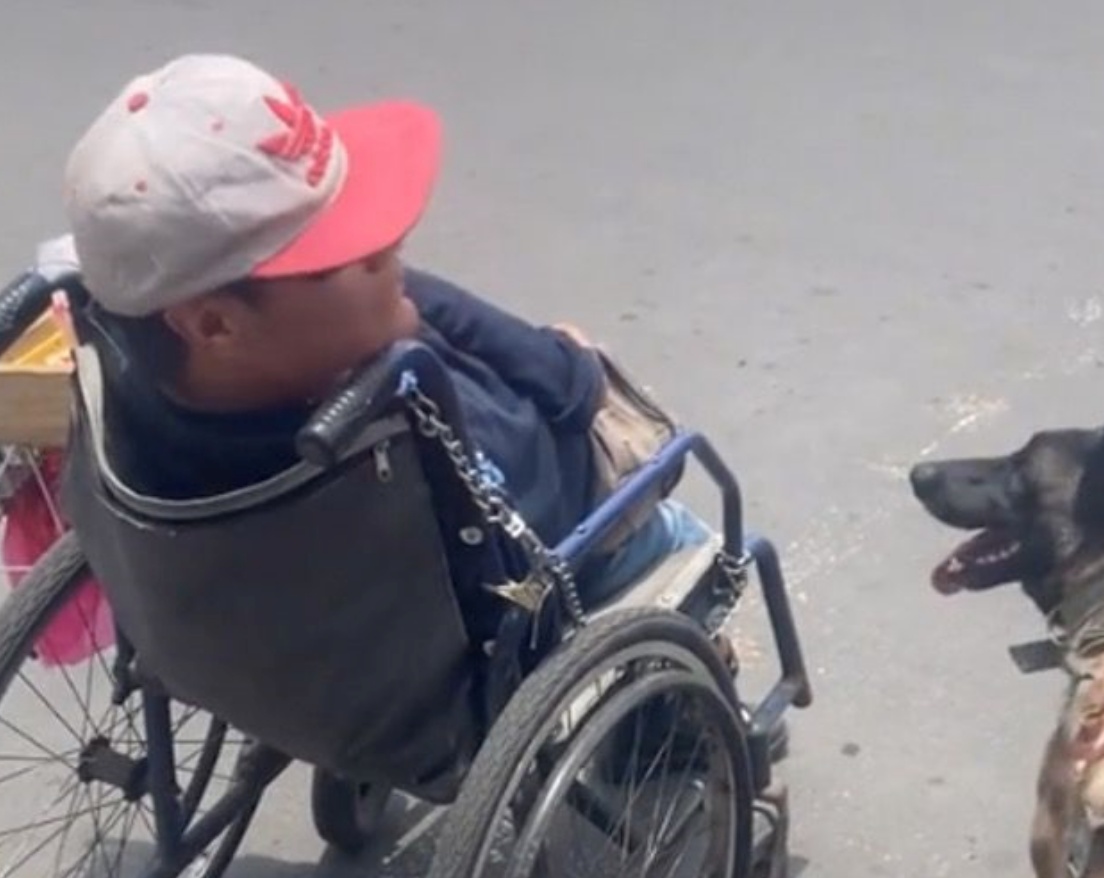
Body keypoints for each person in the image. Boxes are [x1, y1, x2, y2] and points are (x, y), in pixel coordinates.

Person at [62, 55, 706, 603]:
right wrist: (573, 370)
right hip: (515, 562)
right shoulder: (392, 429)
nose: (393, 245)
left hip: (262, 635)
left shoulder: (136, 378)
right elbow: (547, 445)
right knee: (681, 540)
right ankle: (680, 734)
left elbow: (410, 300)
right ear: (213, 323)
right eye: (357, 254)